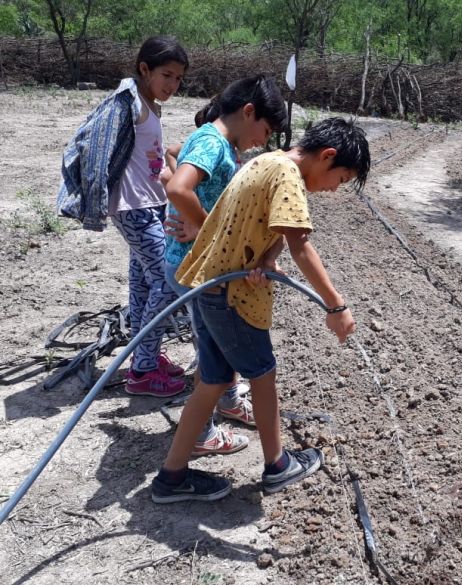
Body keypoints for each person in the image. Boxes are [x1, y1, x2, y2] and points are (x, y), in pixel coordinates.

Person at [150, 117, 370, 503]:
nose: (334, 189)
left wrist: (265, 257)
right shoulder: (288, 174)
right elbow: (300, 243)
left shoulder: (268, 161)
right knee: (263, 373)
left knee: (213, 380)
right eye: (341, 179)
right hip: (230, 296)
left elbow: (263, 227)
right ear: (328, 156)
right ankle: (278, 466)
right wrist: (336, 306)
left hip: (211, 286)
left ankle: (171, 478)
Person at [162, 75, 288, 456]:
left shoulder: (218, 143)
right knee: (215, 349)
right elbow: (178, 188)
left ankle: (227, 403)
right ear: (248, 112)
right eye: (265, 130)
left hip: (200, 263)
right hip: (194, 266)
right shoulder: (211, 141)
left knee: (215, 344)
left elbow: (175, 161)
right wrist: (205, 228)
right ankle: (202, 435)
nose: (263, 143)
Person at [57, 37, 189, 397]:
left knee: (145, 283)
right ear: (144, 69)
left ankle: (144, 354)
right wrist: (93, 204)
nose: (173, 85)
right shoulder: (125, 103)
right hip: (133, 208)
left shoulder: (149, 104)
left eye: (178, 78)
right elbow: (94, 149)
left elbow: (150, 159)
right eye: (167, 75)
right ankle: (143, 370)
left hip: (151, 204)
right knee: (168, 279)